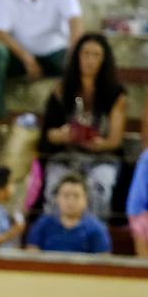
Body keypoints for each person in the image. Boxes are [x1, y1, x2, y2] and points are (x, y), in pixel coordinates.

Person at [38, 32, 127, 219]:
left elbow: (115, 141)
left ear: (104, 60)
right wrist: (64, 135)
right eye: (86, 54)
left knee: (100, 186)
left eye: (96, 55)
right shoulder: (61, 89)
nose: (90, 60)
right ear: (77, 57)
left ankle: (94, 236)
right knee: (56, 187)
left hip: (101, 157)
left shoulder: (115, 93)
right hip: (65, 155)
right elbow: (49, 133)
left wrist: (97, 143)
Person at [0, 0, 83, 121]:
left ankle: (73, 118)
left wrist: (73, 55)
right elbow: (0, 32)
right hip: (19, 55)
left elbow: (75, 23)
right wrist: (26, 58)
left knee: (82, 59)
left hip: (56, 53)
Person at [26, 173, 112, 253]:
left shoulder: (97, 229)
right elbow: (32, 256)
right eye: (66, 195)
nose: (70, 201)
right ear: (57, 198)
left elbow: (103, 262)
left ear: (86, 200)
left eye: (76, 196)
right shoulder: (42, 224)